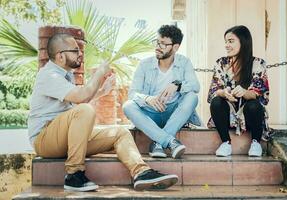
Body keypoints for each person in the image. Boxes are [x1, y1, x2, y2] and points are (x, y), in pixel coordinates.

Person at [28, 33, 178, 192]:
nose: (80, 54)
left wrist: (102, 90)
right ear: (60, 56)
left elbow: (79, 99)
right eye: (75, 51)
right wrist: (99, 73)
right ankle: (74, 174)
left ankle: (141, 172)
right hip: (44, 139)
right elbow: (81, 99)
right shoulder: (49, 75)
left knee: (120, 132)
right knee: (84, 111)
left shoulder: (66, 75)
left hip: (65, 138)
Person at [123, 25, 201, 159]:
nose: (158, 47)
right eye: (157, 42)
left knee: (192, 97)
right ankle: (169, 141)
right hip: (151, 113)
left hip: (174, 113)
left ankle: (157, 143)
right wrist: (148, 99)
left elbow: (195, 86)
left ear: (175, 47)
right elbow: (133, 93)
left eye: (163, 44)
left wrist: (178, 85)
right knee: (128, 106)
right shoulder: (144, 64)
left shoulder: (184, 62)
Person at [207, 25, 270, 157]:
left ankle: (255, 143)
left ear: (243, 41)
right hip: (228, 114)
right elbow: (214, 89)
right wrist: (223, 92)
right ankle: (225, 143)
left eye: (231, 41)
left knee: (254, 105)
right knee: (217, 101)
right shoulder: (221, 63)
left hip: (248, 115)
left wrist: (245, 92)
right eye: (226, 42)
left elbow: (262, 94)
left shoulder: (258, 63)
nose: (226, 45)